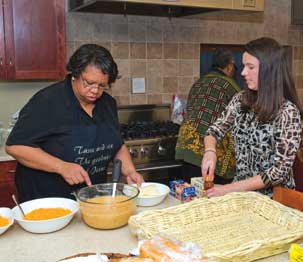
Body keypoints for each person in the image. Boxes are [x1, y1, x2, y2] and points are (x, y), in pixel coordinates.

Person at [6, 44, 144, 202]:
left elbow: (116, 144)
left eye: (102, 85)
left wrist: (130, 171)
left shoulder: (107, 103)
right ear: (75, 74)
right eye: (89, 83)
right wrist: (61, 167)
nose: (95, 90)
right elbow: (15, 146)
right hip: (48, 200)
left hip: (91, 199)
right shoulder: (48, 101)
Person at [201, 37, 303, 198]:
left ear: (268, 70)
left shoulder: (287, 112)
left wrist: (230, 188)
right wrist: (210, 151)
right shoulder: (240, 99)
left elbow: (278, 172)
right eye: (243, 66)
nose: (243, 72)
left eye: (250, 67)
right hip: (242, 196)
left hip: (274, 200)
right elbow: (214, 131)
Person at [175, 48, 240, 184]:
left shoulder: (199, 82)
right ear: (229, 66)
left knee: (191, 194)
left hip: (186, 145)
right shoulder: (232, 86)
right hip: (209, 152)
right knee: (211, 197)